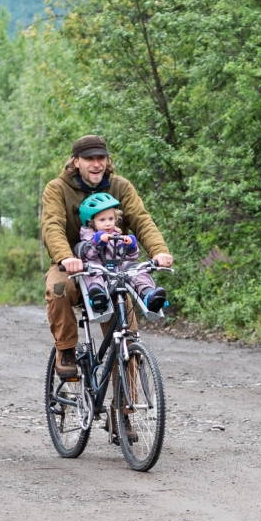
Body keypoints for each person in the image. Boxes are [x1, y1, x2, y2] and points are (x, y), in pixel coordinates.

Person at [41, 135, 172, 378]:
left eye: (100, 158)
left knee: (127, 340)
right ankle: (67, 349)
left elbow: (141, 220)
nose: (96, 164)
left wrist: (159, 251)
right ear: (76, 161)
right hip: (73, 263)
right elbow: (52, 227)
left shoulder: (120, 186)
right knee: (59, 289)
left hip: (113, 265)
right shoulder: (57, 189)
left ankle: (124, 411)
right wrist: (65, 257)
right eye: (89, 159)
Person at [74, 192, 168, 315]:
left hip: (118, 271)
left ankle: (148, 294)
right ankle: (98, 296)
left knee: (136, 269)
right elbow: (85, 254)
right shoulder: (88, 237)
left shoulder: (116, 235)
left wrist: (130, 246)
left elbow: (131, 257)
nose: (108, 223)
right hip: (100, 271)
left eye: (111, 219)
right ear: (91, 222)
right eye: (102, 220)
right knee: (91, 270)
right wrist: (97, 242)